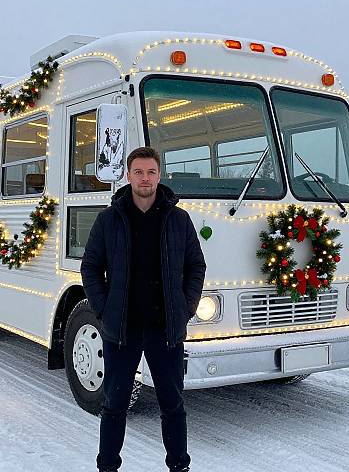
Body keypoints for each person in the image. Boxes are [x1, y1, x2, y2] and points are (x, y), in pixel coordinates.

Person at [80, 146, 207, 472]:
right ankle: (107, 466)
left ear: (159, 175)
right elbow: (90, 267)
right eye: (139, 172)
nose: (145, 178)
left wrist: (186, 308)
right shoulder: (109, 219)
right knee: (115, 404)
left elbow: (196, 266)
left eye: (151, 172)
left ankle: (179, 465)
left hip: (166, 329)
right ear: (128, 175)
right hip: (120, 329)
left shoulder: (178, 219)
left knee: (173, 404)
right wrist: (103, 309)